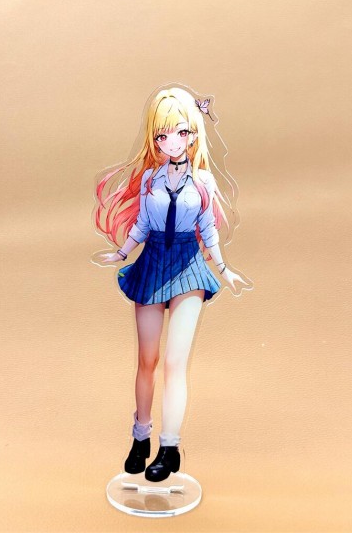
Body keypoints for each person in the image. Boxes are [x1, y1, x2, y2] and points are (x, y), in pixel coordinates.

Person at [94, 86, 251, 482]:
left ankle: (170, 448)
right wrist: (121, 253)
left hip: (189, 266)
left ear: (193, 134)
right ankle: (140, 437)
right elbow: (143, 223)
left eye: (181, 132)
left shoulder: (203, 181)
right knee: (147, 360)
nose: (172, 142)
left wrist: (224, 269)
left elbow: (208, 228)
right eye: (162, 135)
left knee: (176, 363)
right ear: (155, 139)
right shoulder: (151, 178)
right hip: (152, 264)